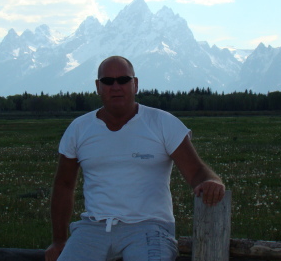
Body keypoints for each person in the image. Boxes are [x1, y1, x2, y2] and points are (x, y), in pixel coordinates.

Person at [45, 56, 225, 261]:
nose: (115, 87)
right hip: (93, 227)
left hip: (149, 227)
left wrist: (211, 181)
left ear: (135, 84)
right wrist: (59, 240)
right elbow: (64, 184)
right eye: (107, 81)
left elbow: (196, 170)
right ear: (98, 86)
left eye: (123, 80)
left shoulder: (162, 123)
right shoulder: (79, 128)